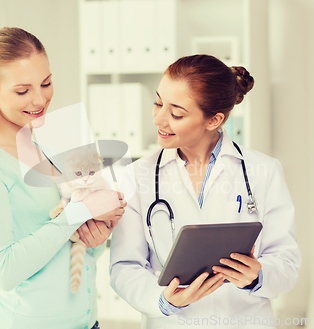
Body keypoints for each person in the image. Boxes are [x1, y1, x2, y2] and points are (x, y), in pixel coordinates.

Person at [109, 54, 301, 329]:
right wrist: (164, 300)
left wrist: (257, 276)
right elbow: (124, 267)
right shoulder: (138, 175)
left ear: (214, 120)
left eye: (176, 113)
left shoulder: (263, 171)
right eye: (158, 103)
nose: (159, 120)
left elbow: (286, 261)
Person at [0, 27, 125, 329]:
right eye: (22, 91)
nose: (40, 99)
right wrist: (80, 212)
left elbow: (76, 250)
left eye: (46, 83)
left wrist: (97, 237)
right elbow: (4, 271)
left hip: (87, 322)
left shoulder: (57, 141)